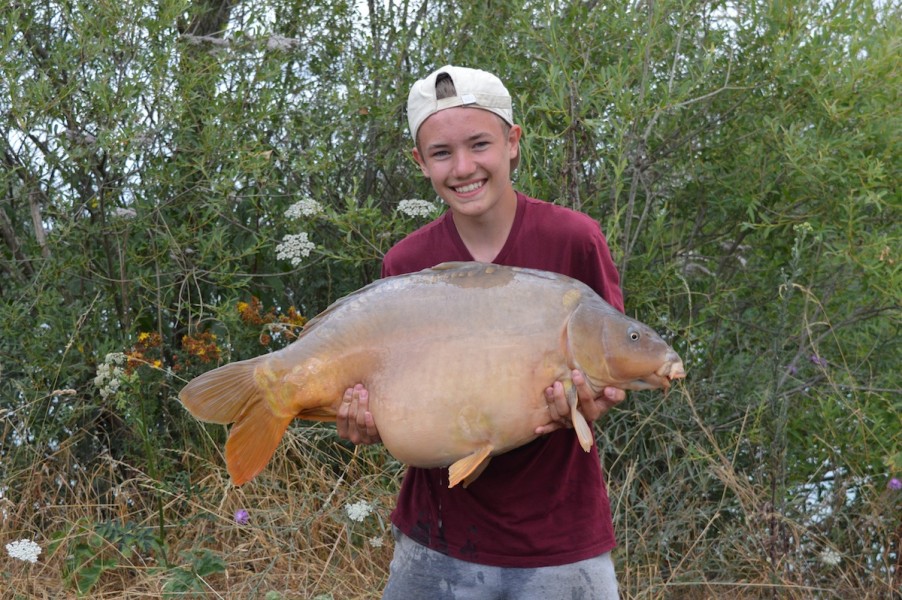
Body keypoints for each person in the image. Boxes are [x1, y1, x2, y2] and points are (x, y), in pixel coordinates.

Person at [338, 65, 627, 599]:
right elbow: (404, 403)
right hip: (437, 542)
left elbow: (611, 364)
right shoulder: (407, 263)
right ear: (420, 163)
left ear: (513, 142)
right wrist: (370, 419)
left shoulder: (575, 240)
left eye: (480, 144)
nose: (464, 167)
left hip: (561, 543)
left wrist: (592, 402)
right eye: (442, 153)